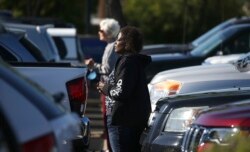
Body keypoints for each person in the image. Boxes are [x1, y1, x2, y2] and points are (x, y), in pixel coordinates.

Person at [97, 26, 152, 152]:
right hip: (131, 119)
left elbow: (121, 92)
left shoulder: (127, 62)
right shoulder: (134, 61)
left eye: (119, 40)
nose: (115, 43)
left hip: (121, 121)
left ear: (127, 43)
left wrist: (105, 88)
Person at [85, 18, 120, 151]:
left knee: (108, 119)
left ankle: (110, 148)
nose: (98, 32)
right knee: (107, 119)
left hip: (108, 89)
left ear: (107, 32)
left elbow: (108, 69)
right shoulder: (110, 46)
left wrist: (93, 66)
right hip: (107, 88)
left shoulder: (111, 47)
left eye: (101, 30)